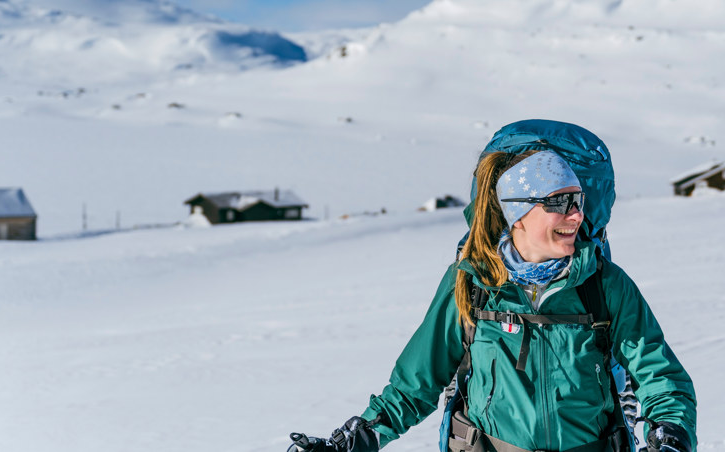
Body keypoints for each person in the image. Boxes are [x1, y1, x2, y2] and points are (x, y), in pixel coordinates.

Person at [288, 150, 697, 452]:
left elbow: (661, 377)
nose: (575, 216)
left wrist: (672, 433)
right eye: (559, 203)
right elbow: (417, 383)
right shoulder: (471, 284)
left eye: (578, 202)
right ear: (517, 213)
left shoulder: (604, 285)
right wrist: (359, 438)